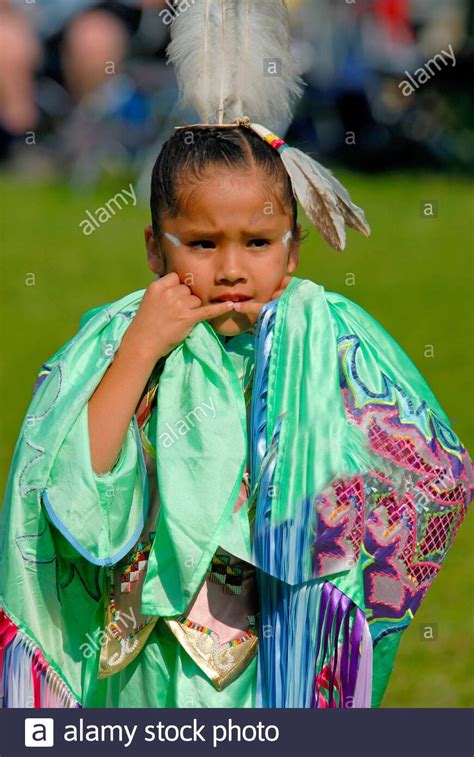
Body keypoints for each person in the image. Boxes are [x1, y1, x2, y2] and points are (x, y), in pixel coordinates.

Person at [0, 0, 472, 710]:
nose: (230, 269)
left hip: (273, 654)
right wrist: (139, 348)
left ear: (294, 245)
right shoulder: (120, 337)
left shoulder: (324, 337)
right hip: (146, 665)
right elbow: (77, 484)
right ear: (156, 248)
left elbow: (420, 465)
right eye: (201, 242)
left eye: (256, 243)